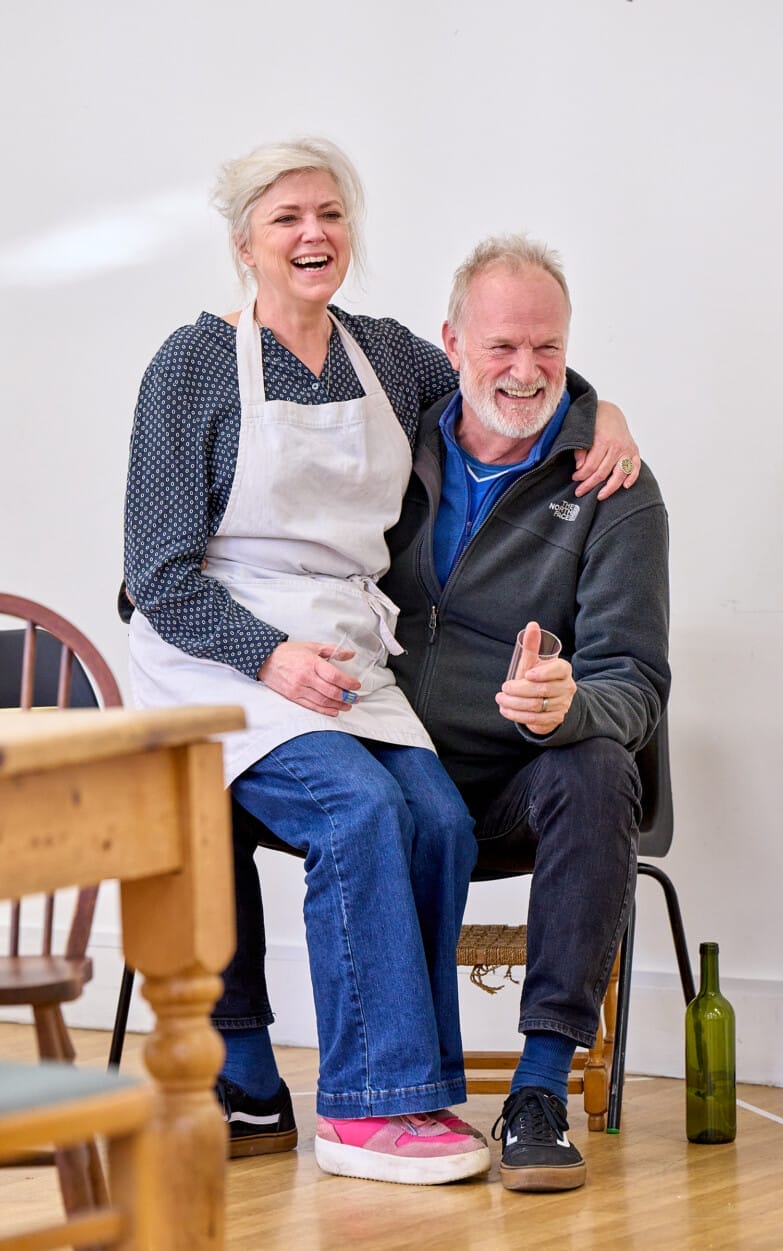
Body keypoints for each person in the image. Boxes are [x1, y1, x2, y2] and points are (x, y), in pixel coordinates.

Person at [123, 137, 640, 1187]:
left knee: (439, 819)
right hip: (218, 656)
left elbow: (509, 377)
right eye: (287, 218)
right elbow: (157, 574)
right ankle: (365, 1108)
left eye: (330, 213)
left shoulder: (388, 357)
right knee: (358, 810)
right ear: (245, 244)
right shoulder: (190, 367)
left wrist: (603, 413)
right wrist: (269, 658)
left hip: (348, 651)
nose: (314, 234)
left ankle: (419, 1085)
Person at [380, 234, 670, 1192]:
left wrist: (568, 703)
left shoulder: (614, 488)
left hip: (516, 786)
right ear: (452, 343)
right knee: (218, 765)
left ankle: (540, 1088)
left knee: (599, 765)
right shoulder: (390, 442)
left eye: (548, 346)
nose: (525, 369)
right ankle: (246, 1073)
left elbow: (636, 681)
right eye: (502, 345)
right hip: (384, 766)